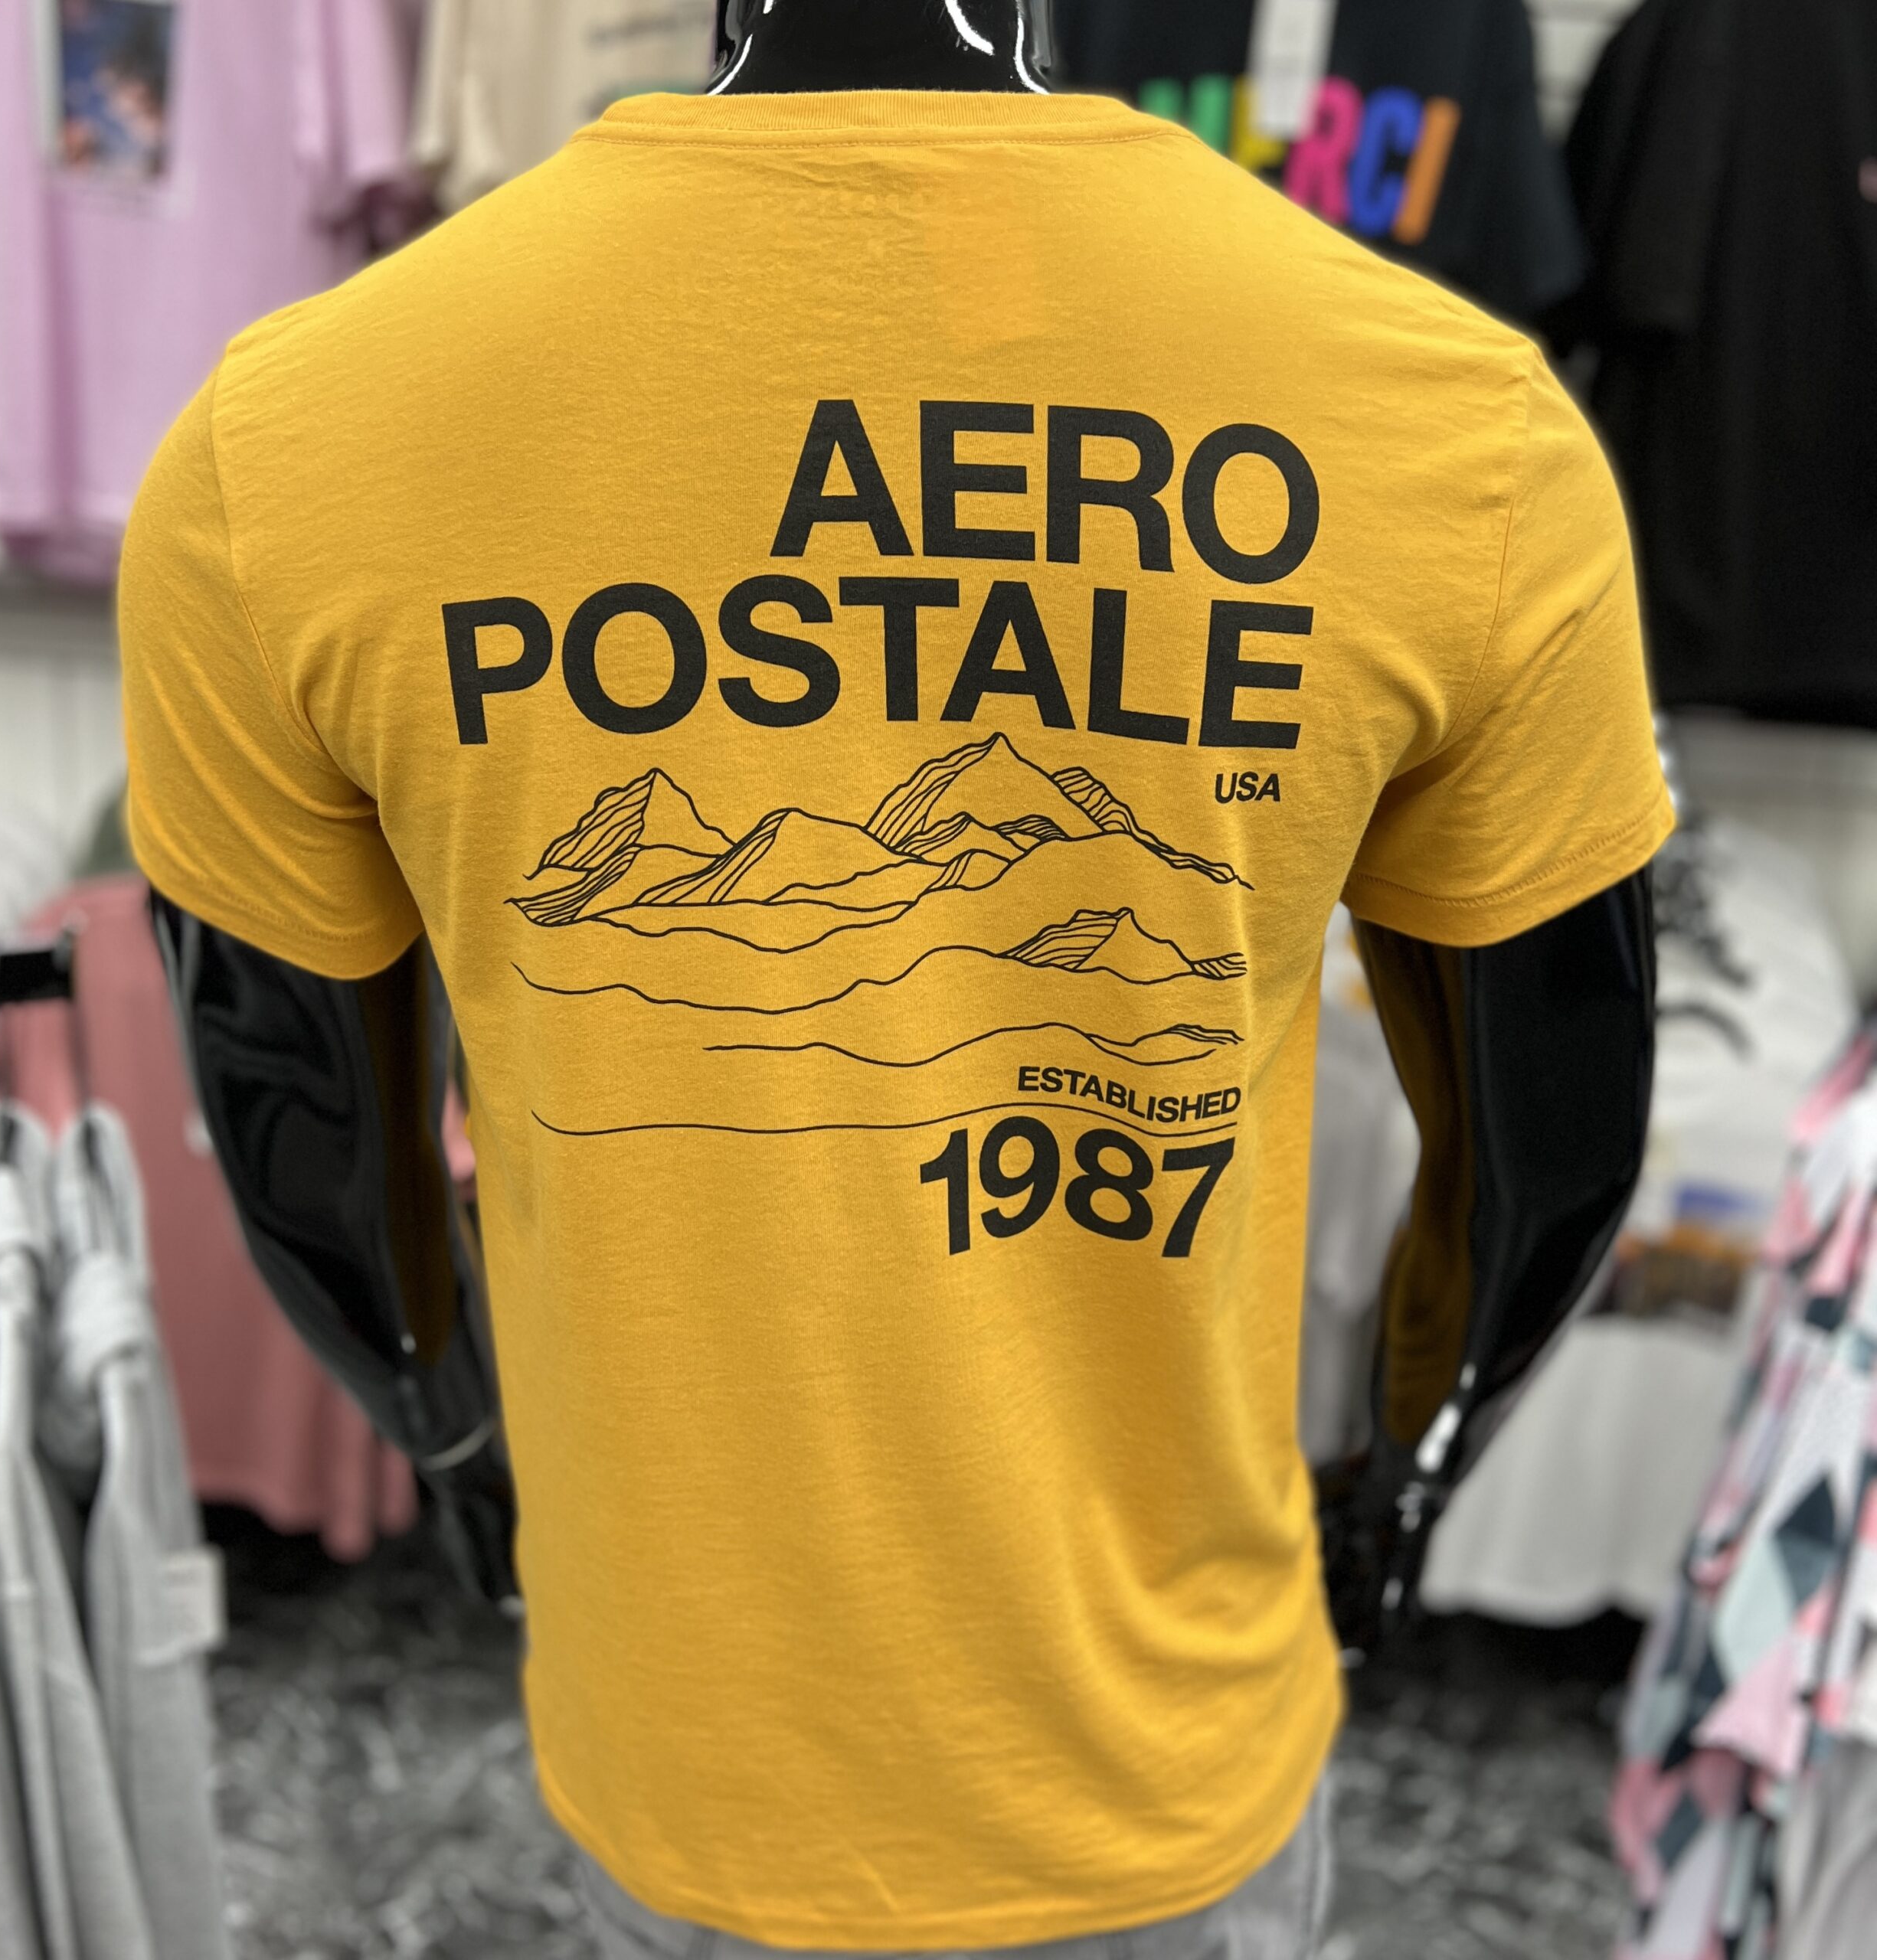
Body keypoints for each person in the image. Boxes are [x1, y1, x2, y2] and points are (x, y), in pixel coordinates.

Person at [119, 3, 1671, 1955]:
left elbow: (300, 1118)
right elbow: (1550, 1134)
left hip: (687, 1724)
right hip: (1151, 1732)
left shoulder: (289, 450)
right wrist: (1408, 1465)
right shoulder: (1445, 430)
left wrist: (447, 1424)